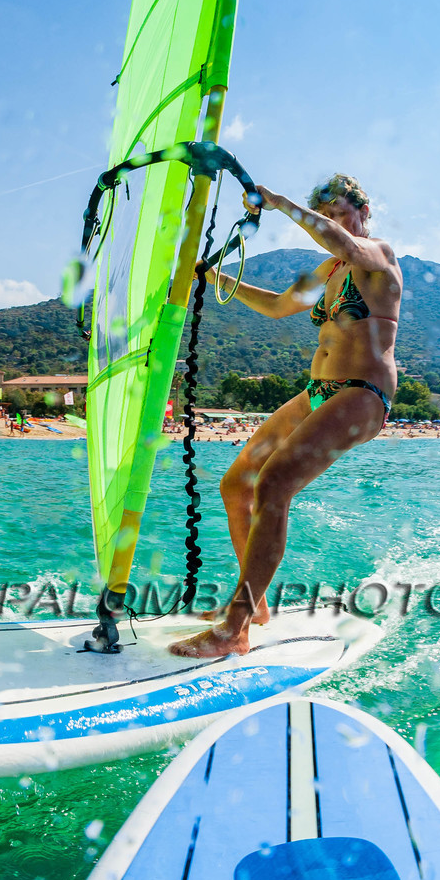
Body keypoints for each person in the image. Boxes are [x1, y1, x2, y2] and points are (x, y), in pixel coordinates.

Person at [170, 174, 401, 658]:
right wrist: (211, 276)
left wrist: (279, 203)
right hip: (319, 391)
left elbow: (343, 242)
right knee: (237, 485)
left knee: (274, 484)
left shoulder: (378, 255)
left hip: (362, 394)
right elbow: (278, 307)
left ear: (363, 211)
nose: (334, 221)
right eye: (327, 213)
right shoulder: (329, 268)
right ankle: (255, 607)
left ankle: (234, 630)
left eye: (340, 212)